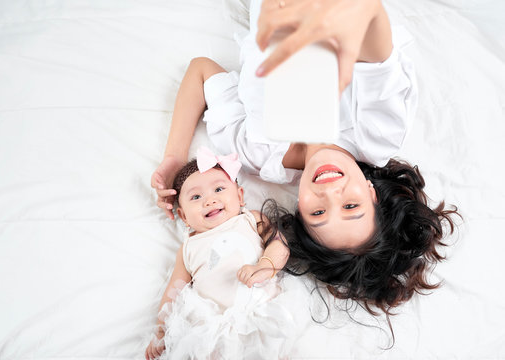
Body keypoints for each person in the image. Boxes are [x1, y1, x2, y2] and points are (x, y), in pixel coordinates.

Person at [152, 0, 458, 328]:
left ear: (299, 209)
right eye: (351, 204)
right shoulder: (376, 136)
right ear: (372, 193)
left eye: (318, 213)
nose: (329, 194)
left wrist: (174, 158)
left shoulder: (257, 154)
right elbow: (375, 41)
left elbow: (201, 72)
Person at [146, 147, 291, 359]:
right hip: (216, 330)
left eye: (219, 189)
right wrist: (162, 329)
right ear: (183, 215)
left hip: (265, 311)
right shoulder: (188, 248)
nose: (209, 200)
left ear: (240, 196)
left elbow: (279, 243)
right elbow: (174, 290)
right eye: (196, 196)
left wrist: (265, 265)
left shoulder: (251, 219)